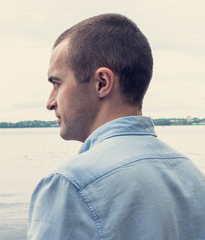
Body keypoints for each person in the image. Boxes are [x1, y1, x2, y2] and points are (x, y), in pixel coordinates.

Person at [27, 13, 205, 240]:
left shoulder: (71, 185)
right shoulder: (192, 177)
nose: (50, 102)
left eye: (57, 84)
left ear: (102, 83)